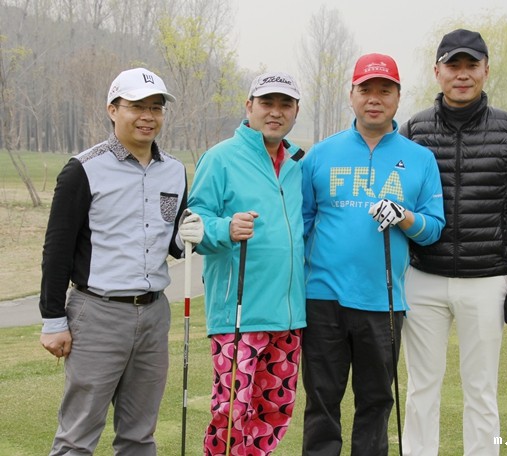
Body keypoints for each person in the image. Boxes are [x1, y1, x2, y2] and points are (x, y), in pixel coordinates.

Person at [39, 67, 204, 455]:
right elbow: (57, 249)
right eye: (137, 106)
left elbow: (173, 244)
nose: (148, 116)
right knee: (77, 436)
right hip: (97, 313)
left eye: (156, 108)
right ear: (113, 110)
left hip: (153, 315)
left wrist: (190, 233)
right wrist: (53, 319)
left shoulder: (173, 170)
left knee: (139, 435)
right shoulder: (83, 169)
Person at [399, 29, 507, 456]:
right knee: (422, 387)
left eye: (471, 66)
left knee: (481, 389)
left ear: (486, 70)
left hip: (486, 280)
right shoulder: (412, 130)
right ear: (437, 72)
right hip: (423, 277)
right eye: (453, 66)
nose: (462, 75)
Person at [301, 53, 445, 456]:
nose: (375, 99)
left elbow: (433, 228)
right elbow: (303, 224)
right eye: (366, 90)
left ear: (398, 97)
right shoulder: (320, 154)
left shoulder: (420, 159)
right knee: (321, 403)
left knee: (376, 403)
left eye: (385, 90)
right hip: (322, 299)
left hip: (383, 302)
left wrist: (404, 217)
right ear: (352, 95)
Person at [187, 71, 306, 456]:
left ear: (296, 110)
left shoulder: (297, 163)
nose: (276, 112)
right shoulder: (220, 158)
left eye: (285, 104)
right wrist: (225, 227)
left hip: (288, 316)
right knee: (232, 412)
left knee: (274, 412)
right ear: (249, 106)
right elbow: (193, 223)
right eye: (267, 103)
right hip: (238, 314)